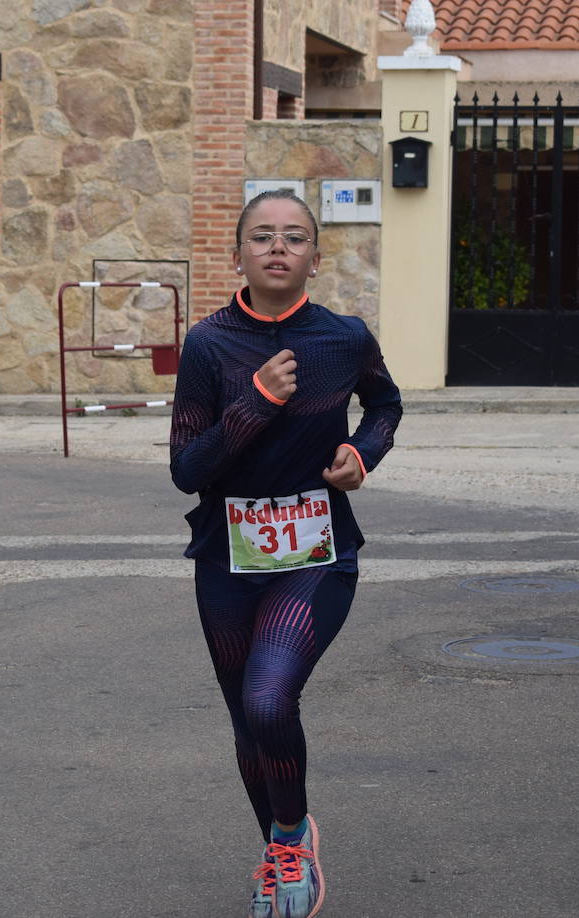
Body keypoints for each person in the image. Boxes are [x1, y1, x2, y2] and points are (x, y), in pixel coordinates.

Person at [168, 189, 402, 918]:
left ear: (315, 257)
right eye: (262, 235)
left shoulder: (344, 338)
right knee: (248, 718)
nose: (277, 247)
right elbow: (187, 468)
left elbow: (386, 405)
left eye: (294, 237)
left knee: (271, 697)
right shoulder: (208, 344)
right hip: (228, 558)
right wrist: (256, 402)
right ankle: (278, 850)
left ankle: (294, 836)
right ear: (237, 252)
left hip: (317, 550)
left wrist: (361, 456)